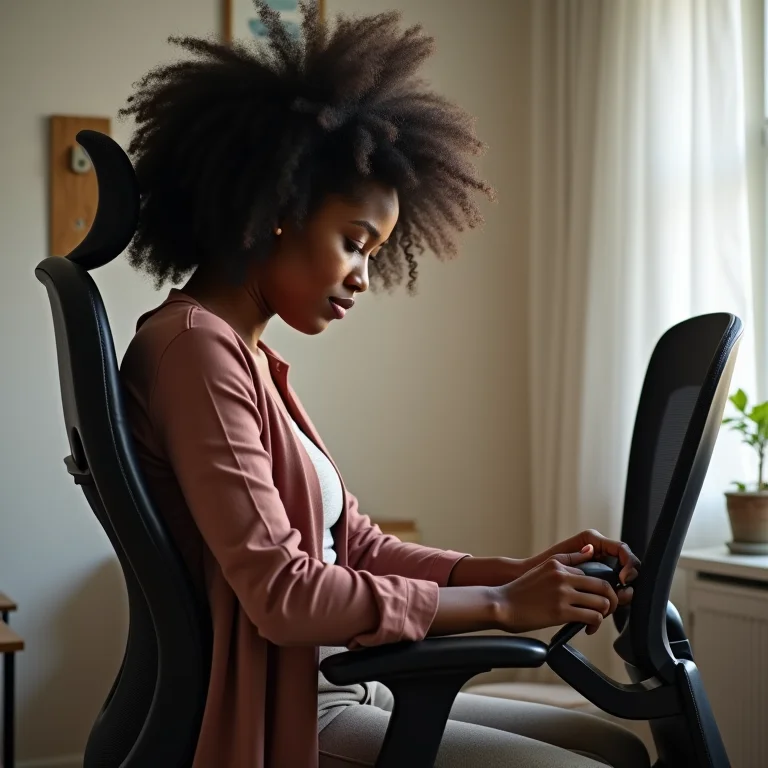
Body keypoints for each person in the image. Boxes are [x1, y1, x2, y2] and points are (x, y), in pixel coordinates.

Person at [118, 2, 649, 767]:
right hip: (292, 710)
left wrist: (521, 572)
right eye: (354, 243)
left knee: (615, 751)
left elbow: (352, 545)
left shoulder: (244, 356)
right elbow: (287, 594)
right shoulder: (195, 352)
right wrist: (501, 608)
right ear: (278, 211)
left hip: (343, 681)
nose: (365, 278)